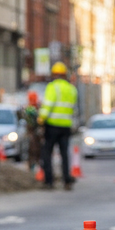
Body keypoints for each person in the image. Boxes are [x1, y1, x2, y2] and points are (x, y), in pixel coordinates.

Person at [39, 62, 77, 190]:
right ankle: (66, 180)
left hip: (52, 126)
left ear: (54, 74)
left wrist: (41, 119)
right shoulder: (71, 89)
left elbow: (47, 105)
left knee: (47, 153)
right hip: (66, 126)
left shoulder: (52, 87)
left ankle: (49, 181)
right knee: (64, 154)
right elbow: (73, 107)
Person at [24, 90, 43, 175]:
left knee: (36, 150)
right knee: (33, 150)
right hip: (32, 132)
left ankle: (36, 166)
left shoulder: (34, 108)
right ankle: (33, 166)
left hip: (35, 133)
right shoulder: (30, 109)